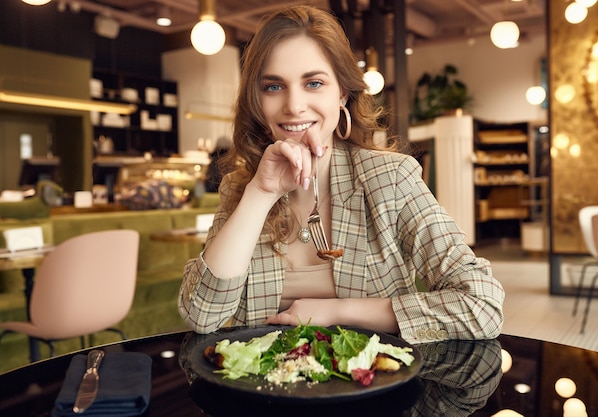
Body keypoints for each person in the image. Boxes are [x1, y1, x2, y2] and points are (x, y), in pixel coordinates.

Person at [178, 5, 504, 344]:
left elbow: (482, 304)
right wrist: (260, 194)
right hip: (268, 392)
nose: (293, 105)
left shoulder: (390, 179)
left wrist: (339, 312)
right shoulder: (241, 188)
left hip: (373, 391)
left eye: (314, 83)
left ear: (342, 93)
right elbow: (201, 315)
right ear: (257, 100)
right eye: (273, 87)